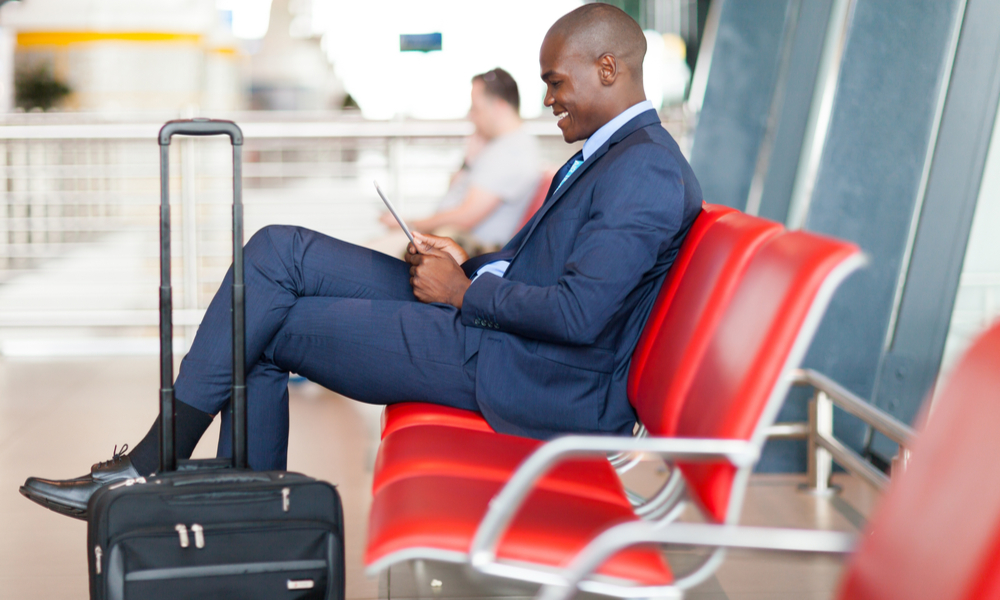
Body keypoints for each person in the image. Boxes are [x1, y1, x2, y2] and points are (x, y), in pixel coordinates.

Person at [20, 3, 703, 519]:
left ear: (607, 68)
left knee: (262, 326)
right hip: (497, 328)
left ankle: (185, 488)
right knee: (277, 250)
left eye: (555, 82)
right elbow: (551, 267)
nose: (548, 99)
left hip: (527, 369)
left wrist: (462, 293)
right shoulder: (617, 155)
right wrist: (467, 262)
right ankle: (182, 480)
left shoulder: (643, 169)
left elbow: (581, 314)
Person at [378, 67, 541, 250]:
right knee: (374, 250)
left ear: (499, 107)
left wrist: (410, 224)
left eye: (476, 109)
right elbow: (455, 192)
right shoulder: (499, 147)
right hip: (450, 239)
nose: (471, 116)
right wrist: (468, 163)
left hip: (467, 247)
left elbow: (466, 217)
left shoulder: (511, 152)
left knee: (373, 252)